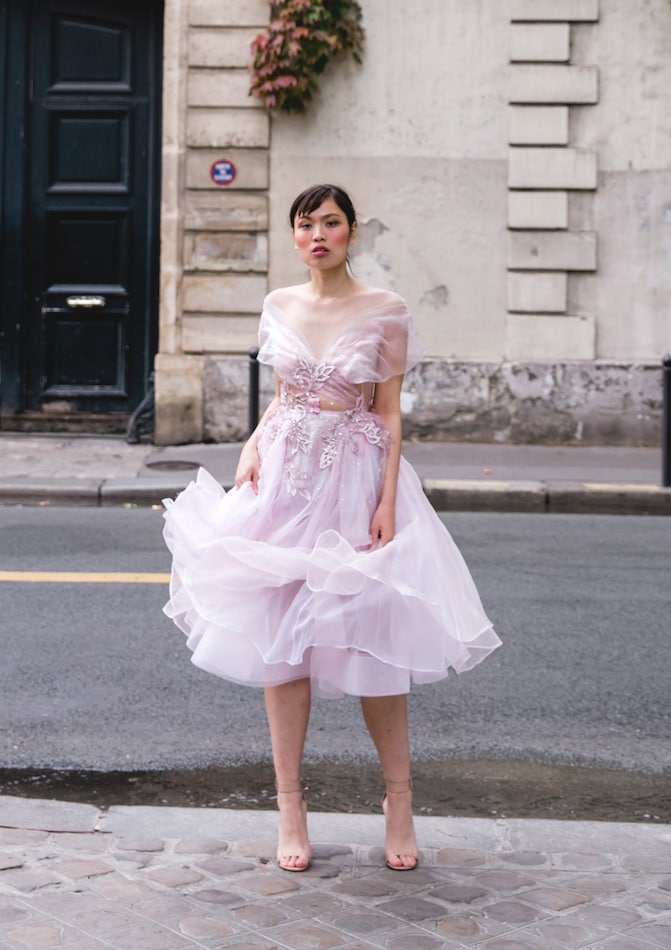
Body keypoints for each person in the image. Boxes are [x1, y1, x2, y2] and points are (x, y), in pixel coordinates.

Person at [163, 183, 501, 872]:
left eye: (332, 223)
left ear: (352, 233)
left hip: (353, 480)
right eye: (306, 223)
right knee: (279, 646)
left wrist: (385, 501)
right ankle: (291, 806)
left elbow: (389, 413)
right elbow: (285, 397)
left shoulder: (386, 310)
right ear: (294, 236)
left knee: (374, 641)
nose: (318, 234)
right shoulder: (277, 304)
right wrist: (253, 443)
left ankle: (399, 802)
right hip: (281, 480)